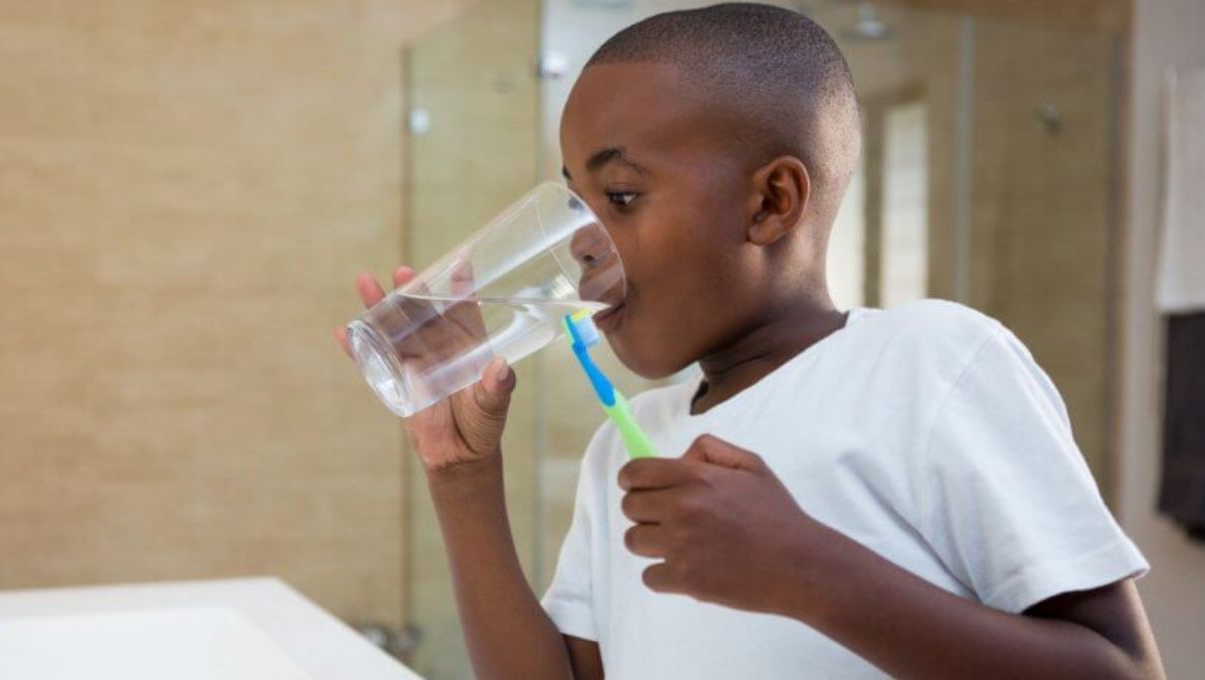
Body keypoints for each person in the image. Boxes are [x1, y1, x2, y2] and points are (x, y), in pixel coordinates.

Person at [337, 4, 1163, 678]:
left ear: (770, 203)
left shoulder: (927, 362)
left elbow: (1119, 670)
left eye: (620, 195)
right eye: (572, 201)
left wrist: (807, 571)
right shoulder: (627, 446)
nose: (582, 240)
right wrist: (461, 475)